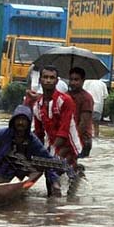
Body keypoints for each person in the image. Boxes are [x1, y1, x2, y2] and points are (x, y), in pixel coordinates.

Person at [32, 65, 81, 194]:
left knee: (58, 170)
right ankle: (52, 204)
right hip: (51, 143)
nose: (48, 80)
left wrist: (50, 155)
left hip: (69, 144)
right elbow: (38, 133)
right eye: (45, 77)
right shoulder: (37, 105)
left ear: (57, 81)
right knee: (50, 175)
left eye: (52, 78)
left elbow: (64, 131)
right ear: (40, 80)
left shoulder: (65, 101)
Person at [67, 67, 94, 158]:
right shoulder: (66, 96)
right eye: (71, 79)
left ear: (83, 81)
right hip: (68, 139)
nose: (73, 83)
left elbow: (84, 123)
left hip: (82, 140)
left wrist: (73, 139)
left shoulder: (86, 98)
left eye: (76, 80)